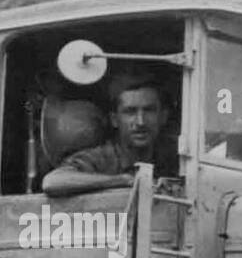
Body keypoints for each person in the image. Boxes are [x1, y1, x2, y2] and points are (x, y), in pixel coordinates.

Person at [42, 68, 177, 196]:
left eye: (149, 110)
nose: (140, 122)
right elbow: (53, 182)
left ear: (163, 117)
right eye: (130, 112)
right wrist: (124, 181)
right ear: (114, 120)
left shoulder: (174, 157)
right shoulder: (101, 157)